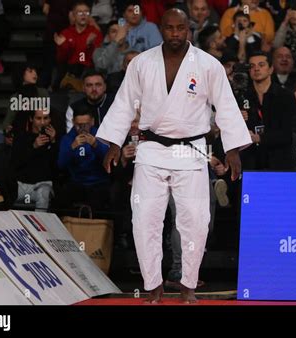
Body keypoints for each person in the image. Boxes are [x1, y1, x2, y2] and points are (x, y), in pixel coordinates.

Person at [97, 8, 251, 304]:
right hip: (151, 150)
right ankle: (153, 286)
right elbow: (125, 103)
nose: (176, 34)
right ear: (162, 29)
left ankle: (189, 286)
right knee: (144, 221)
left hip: (191, 152)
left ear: (189, 30)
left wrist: (232, 149)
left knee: (195, 221)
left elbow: (226, 107)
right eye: (170, 28)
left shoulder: (208, 65)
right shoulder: (142, 63)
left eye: (182, 28)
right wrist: (114, 143)